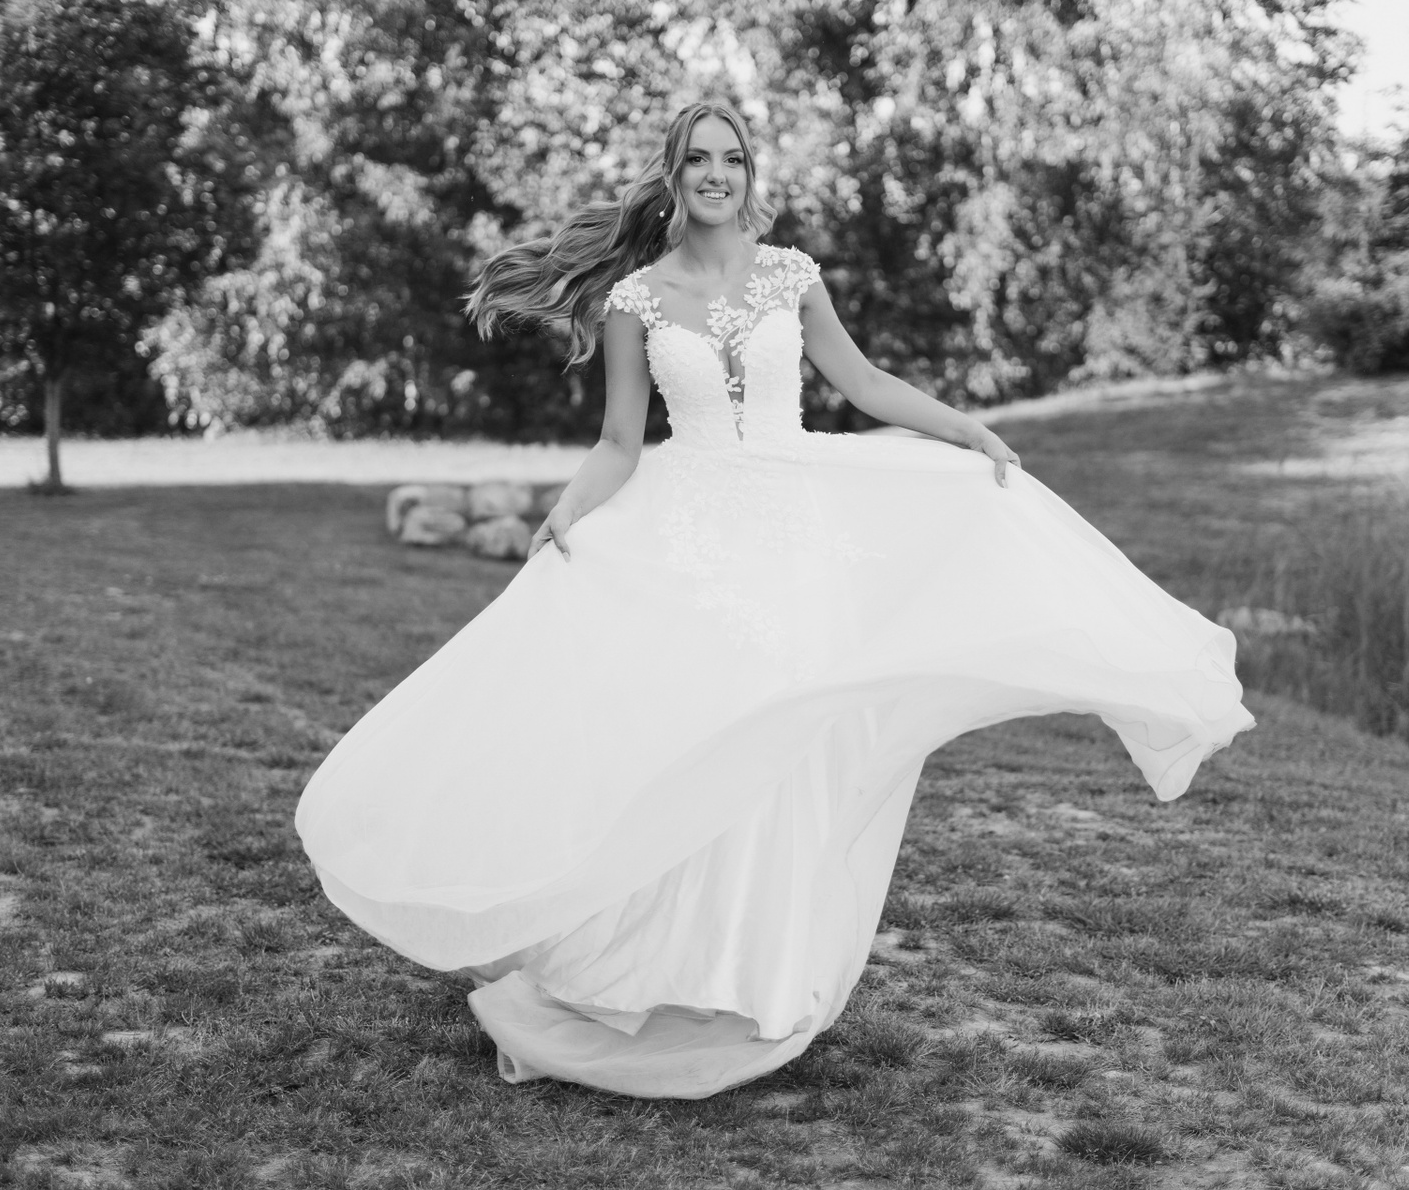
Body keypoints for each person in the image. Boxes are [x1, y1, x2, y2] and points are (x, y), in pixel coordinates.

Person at [293, 100, 1254, 1100]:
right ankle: (663, 970)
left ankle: (756, 980)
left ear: (750, 174)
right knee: (713, 735)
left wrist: (964, 429)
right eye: (699, 160)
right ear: (674, 176)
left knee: (793, 745)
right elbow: (621, 441)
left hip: (799, 533)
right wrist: (567, 510)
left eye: (733, 159)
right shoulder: (635, 300)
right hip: (696, 537)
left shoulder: (790, 275)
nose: (717, 174)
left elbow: (863, 382)